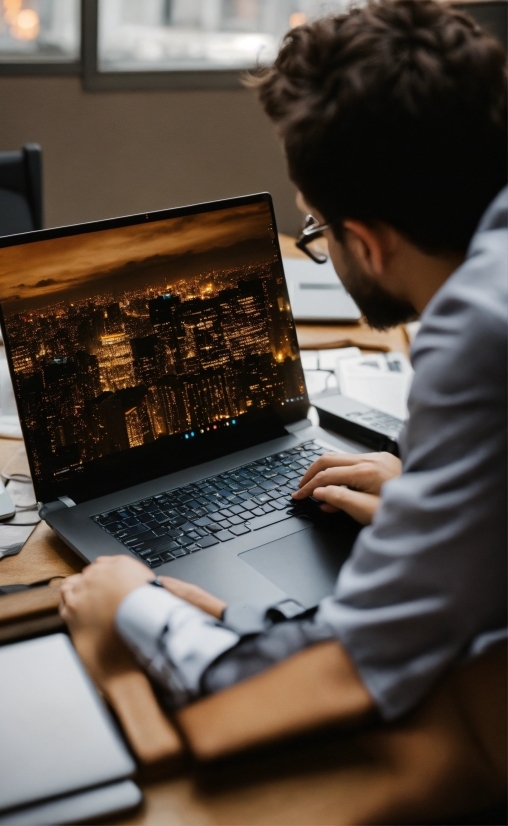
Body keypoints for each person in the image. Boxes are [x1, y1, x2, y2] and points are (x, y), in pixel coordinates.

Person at [60, 0, 507, 722]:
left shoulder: (476, 333)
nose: (319, 240)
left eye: (317, 225)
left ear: (368, 242)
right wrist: (438, 502)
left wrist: (133, 609)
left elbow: (345, 668)